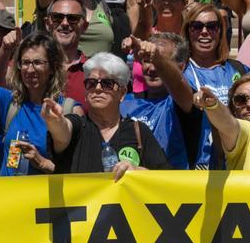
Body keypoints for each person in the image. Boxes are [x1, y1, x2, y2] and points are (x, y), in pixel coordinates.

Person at [42, 52, 170, 176]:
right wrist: (55, 120)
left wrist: (138, 172)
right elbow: (62, 132)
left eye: (107, 84)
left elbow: (164, 179)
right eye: (91, 83)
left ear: (122, 93)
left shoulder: (138, 132)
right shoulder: (78, 126)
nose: (97, 89)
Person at [0, 32, 77, 177]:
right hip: (7, 197)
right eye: (25, 63)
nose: (30, 69)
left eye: (38, 63)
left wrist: (42, 163)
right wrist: (4, 49)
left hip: (44, 198)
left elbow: (77, 172)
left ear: (53, 67)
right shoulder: (9, 102)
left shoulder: (68, 109)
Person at [181, 2, 250, 168]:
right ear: (187, 31)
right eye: (196, 26)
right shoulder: (181, 72)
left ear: (220, 31)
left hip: (238, 158)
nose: (204, 32)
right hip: (198, 162)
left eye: (212, 26)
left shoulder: (239, 69)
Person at [119, 34, 199, 170]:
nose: (152, 68)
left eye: (159, 61)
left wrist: (156, 58)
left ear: (181, 67)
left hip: (171, 187)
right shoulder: (125, 103)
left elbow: (177, 83)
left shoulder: (183, 101)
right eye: (147, 60)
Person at [45, 0, 91, 106]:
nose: (65, 23)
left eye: (73, 18)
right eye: (57, 17)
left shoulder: (94, 71)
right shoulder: (29, 66)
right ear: (47, 23)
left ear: (84, 26)